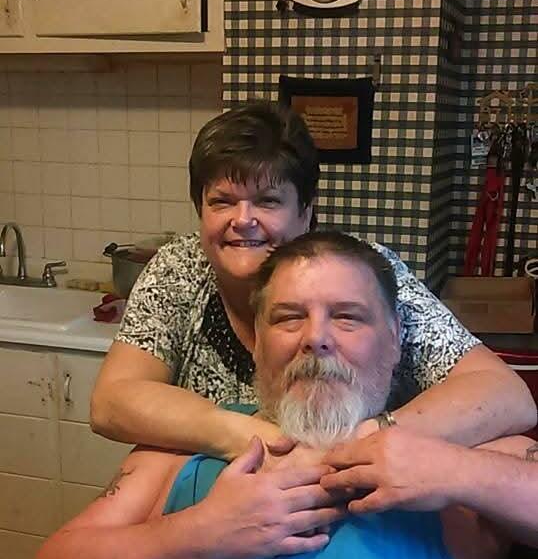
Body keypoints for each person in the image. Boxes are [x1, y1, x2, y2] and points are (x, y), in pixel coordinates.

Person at [23, 234, 538, 559]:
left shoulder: (463, 465)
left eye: (348, 317)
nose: (316, 337)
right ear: (257, 341)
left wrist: (454, 470)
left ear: (396, 337)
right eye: (289, 318)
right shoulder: (182, 452)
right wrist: (202, 533)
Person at [90, 100, 535, 467]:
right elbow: (112, 401)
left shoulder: (363, 274)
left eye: (268, 201)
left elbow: (505, 394)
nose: (243, 220)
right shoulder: (180, 268)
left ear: (305, 212)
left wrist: (367, 440)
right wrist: (247, 437)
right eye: (222, 202)